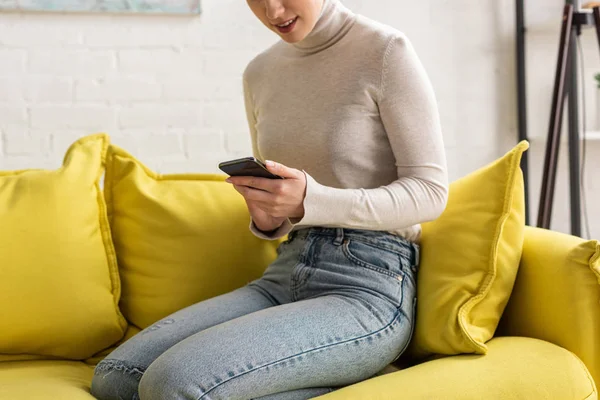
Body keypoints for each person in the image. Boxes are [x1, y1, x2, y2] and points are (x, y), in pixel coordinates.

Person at [90, 0, 448, 398]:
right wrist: (268, 215)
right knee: (118, 377)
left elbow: (430, 192)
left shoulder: (385, 51)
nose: (273, 11)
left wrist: (312, 200)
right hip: (288, 269)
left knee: (172, 384)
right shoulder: (260, 72)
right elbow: (288, 208)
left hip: (367, 282)